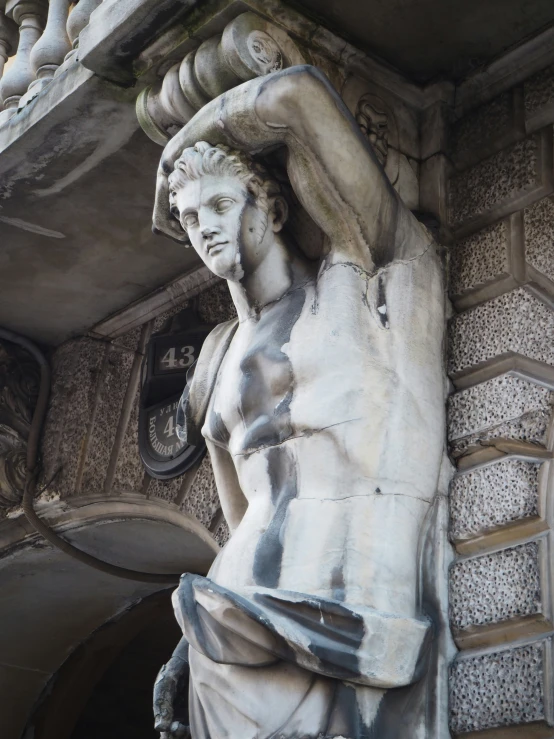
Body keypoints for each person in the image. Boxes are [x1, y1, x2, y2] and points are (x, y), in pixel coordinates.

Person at [152, 65, 448, 739]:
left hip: (349, 625)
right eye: (190, 217)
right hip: (230, 630)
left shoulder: (369, 278)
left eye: (221, 206)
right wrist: (185, 647)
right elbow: (236, 521)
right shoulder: (218, 359)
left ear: (272, 207)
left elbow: (296, 98)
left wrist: (180, 144)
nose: (204, 229)